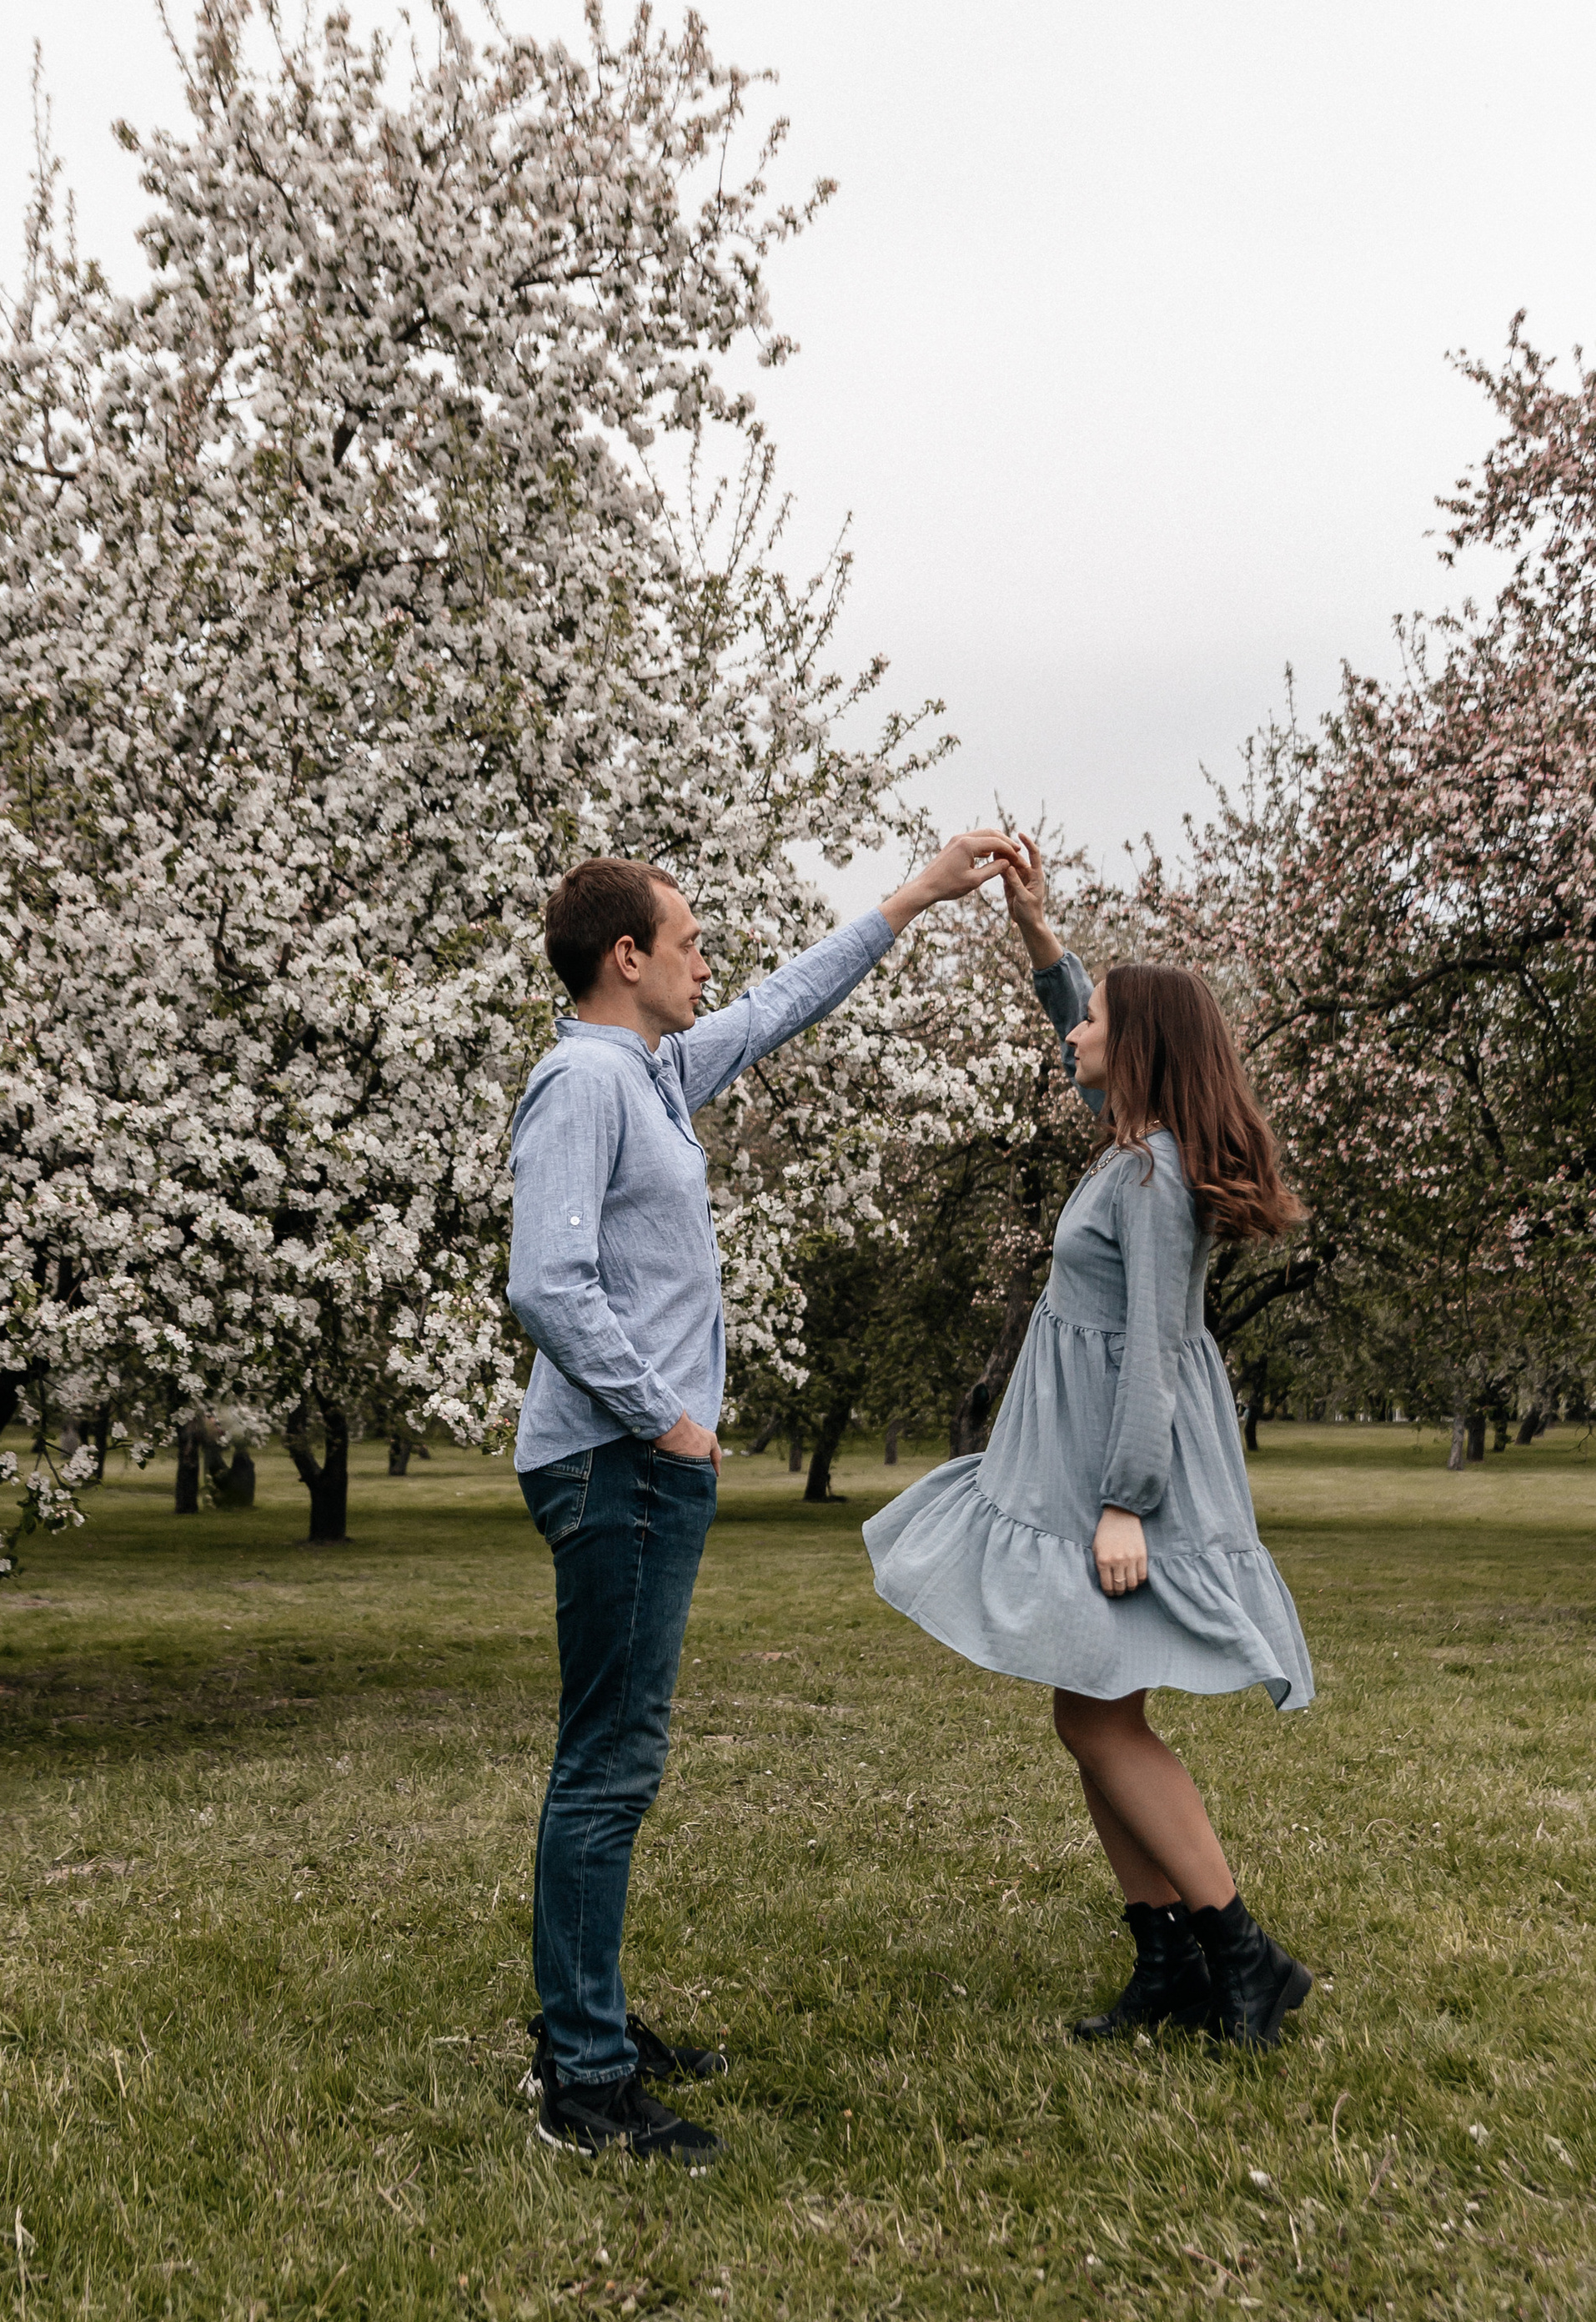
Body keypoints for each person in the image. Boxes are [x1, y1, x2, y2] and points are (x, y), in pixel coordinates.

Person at [509, 832, 1025, 2164]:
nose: (705, 963)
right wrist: (668, 1421)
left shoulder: (656, 1075)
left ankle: (594, 2020)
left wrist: (909, 901)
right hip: (618, 1464)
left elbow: (779, 1003)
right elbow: (546, 1284)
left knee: (617, 1756)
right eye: (687, 943)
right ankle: (583, 2079)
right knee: (608, 1764)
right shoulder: (583, 1082)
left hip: (638, 1463)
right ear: (626, 958)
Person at [862, 838, 1316, 2048]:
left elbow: (1161, 1344)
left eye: (1098, 1020)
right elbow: (1076, 1029)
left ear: (1144, 1050)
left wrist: (1125, 1503)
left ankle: (1241, 1953)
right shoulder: (1134, 1140)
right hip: (1080, 1460)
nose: (1076, 1034)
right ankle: (1165, 1955)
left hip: (1127, 1469)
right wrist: (1037, 933)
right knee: (1089, 1707)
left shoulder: (1155, 1176)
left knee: (1102, 1718)